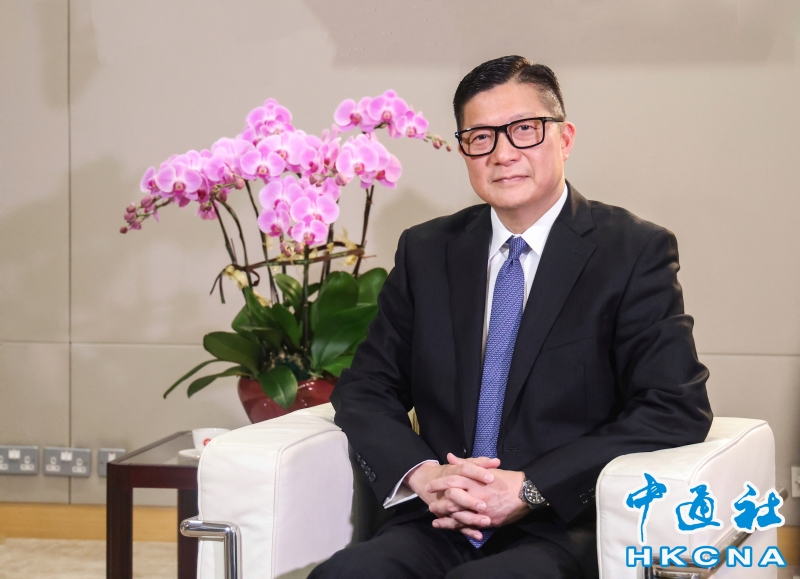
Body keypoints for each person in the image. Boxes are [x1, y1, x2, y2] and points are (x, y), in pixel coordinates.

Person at [310, 55, 713, 579]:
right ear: (465, 151)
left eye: (524, 130)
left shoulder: (632, 251)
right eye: (481, 137)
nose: (503, 154)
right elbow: (367, 388)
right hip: (441, 519)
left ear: (564, 138)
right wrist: (424, 475)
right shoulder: (427, 251)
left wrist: (529, 487)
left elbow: (674, 406)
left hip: (562, 525)